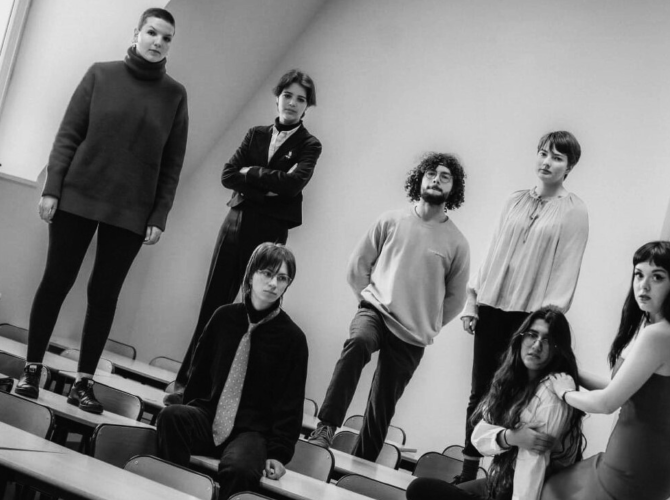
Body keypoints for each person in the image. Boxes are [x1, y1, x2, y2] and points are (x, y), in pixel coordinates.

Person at [15, 7, 188, 413]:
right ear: (136, 33)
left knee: (104, 296)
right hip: (77, 196)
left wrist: (159, 215)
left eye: (166, 38)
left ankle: (82, 384)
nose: (158, 42)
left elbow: (172, 162)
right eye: (152, 33)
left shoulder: (175, 95)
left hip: (131, 211)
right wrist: (52, 189)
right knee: (56, 281)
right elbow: (68, 135)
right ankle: (31, 370)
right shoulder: (100, 74)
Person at [307, 152, 470, 461]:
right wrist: (367, 301)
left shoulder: (457, 243)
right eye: (431, 173)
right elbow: (358, 266)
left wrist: (428, 323)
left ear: (453, 188)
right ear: (420, 179)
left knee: (383, 403)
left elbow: (456, 299)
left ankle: (361, 464)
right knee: (358, 342)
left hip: (413, 333)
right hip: (375, 312)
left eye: (445, 176)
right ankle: (325, 428)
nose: (436, 180)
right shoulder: (391, 220)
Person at [170, 69, 321, 395]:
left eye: (300, 99)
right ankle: (186, 382)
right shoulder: (255, 134)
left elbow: (293, 184)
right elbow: (228, 175)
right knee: (213, 306)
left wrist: (251, 173)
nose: (292, 103)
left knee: (253, 312)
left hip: (270, 234)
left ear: (307, 106)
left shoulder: (310, 145)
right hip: (235, 225)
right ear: (277, 97)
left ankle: (223, 391)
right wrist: (270, 187)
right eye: (287, 95)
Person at [456, 130, 589, 482]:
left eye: (557, 157)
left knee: (519, 396)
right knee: (481, 392)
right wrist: (472, 300)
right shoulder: (513, 200)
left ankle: (502, 479)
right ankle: (468, 472)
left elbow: (568, 265)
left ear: (569, 167)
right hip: (492, 306)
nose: (547, 162)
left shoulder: (574, 211)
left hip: (529, 320)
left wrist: (545, 322)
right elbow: (492, 250)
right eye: (543, 153)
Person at [541, 241, 670, 500]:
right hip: (651, 459)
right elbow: (625, 391)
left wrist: (564, 392)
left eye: (657, 277)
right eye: (639, 275)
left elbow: (606, 403)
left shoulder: (658, 335)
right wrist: (573, 371)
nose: (644, 285)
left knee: (551, 491)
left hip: (635, 465)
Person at [155, 243, 307, 498]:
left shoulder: (293, 339)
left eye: (282, 278)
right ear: (251, 274)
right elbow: (198, 373)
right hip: (209, 417)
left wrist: (278, 454)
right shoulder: (223, 317)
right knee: (172, 417)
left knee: (240, 469)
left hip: (251, 432)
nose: (273, 283)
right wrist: (192, 406)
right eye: (267, 274)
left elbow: (290, 404)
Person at [407, 306, 587, 500]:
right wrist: (510, 437)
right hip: (503, 481)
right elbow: (479, 436)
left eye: (548, 340)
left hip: (530, 491)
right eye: (532, 335)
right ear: (520, 338)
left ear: (558, 349)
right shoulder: (511, 382)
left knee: (423, 491)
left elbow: (533, 464)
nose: (536, 345)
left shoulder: (552, 390)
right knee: (422, 488)